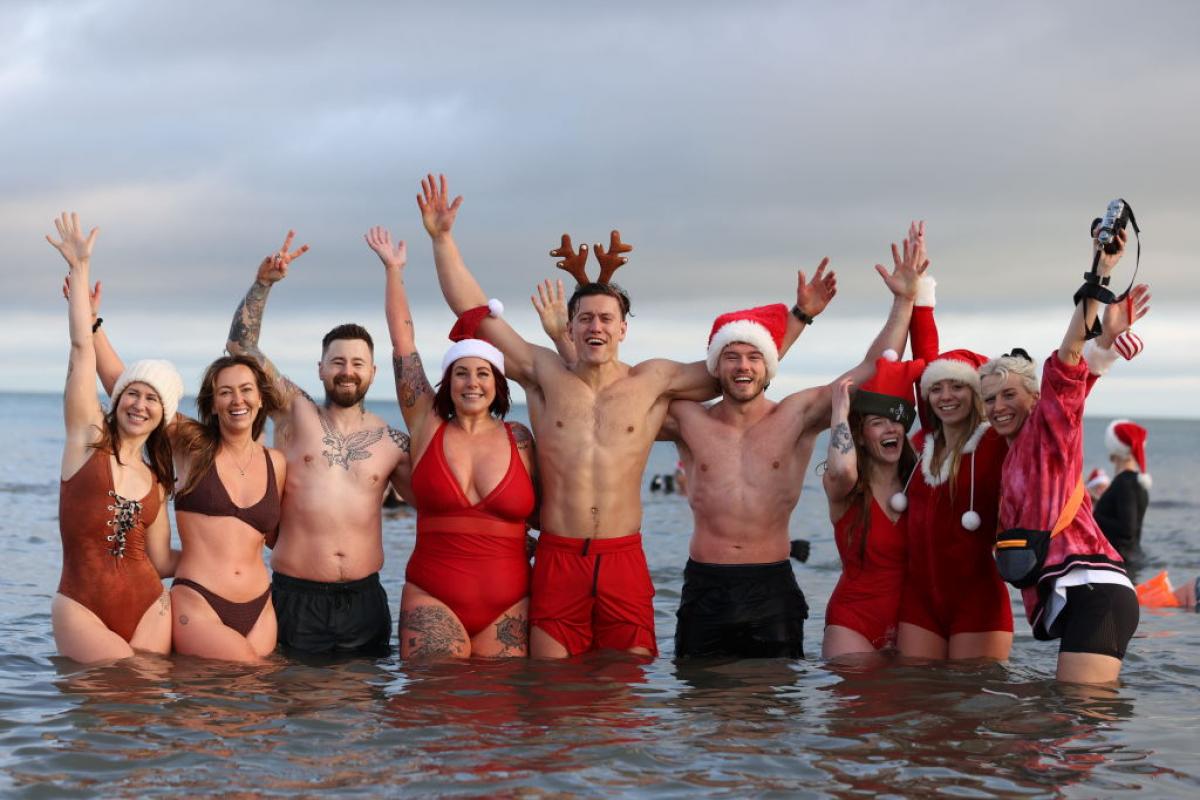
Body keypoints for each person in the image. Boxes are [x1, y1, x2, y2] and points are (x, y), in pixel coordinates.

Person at [419, 173, 750, 658]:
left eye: (606, 318)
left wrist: (799, 319)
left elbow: (740, 365)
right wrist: (443, 240)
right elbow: (474, 313)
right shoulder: (542, 373)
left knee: (627, 693)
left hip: (623, 556)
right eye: (586, 318)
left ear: (622, 330)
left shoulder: (653, 380)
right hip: (559, 556)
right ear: (571, 328)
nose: (596, 326)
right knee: (555, 696)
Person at [663, 238, 921, 659]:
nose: (743, 366)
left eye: (753, 357)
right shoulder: (686, 421)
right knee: (701, 704)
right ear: (716, 366)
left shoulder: (796, 415)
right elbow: (616, 411)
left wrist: (904, 301)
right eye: (731, 356)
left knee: (774, 710)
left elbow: (873, 369)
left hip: (771, 585)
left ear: (768, 367)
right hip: (706, 585)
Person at [226, 232, 412, 657]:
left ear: (372, 372)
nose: (348, 371)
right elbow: (241, 347)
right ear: (321, 368)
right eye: (338, 362)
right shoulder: (295, 412)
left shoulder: (392, 441)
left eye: (357, 363)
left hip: (365, 600)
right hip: (297, 598)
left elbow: (439, 504)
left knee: (365, 715)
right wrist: (263, 284)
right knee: (296, 712)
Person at [979, 225, 1149, 684]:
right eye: (990, 398)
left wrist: (1100, 274)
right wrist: (1106, 347)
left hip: (1097, 590)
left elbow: (1070, 356)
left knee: (1080, 725)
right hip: (1076, 594)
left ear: (1036, 397)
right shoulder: (1012, 451)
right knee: (1062, 733)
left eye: (1009, 394)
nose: (997, 407)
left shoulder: (1050, 426)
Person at [368, 225, 536, 659]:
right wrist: (393, 270)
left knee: (497, 717)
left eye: (483, 374)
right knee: (430, 715)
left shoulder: (521, 440)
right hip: (433, 597)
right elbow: (402, 343)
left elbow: (553, 516)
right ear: (448, 381)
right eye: (461, 372)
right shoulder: (427, 424)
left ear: (498, 385)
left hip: (510, 605)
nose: (472, 382)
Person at [47, 212, 181, 663]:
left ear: (163, 416)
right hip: (80, 606)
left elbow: (162, 563)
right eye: (132, 393)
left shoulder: (158, 480)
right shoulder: (85, 442)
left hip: (149, 605)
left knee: (145, 713)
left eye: (152, 400)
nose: (139, 404)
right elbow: (83, 348)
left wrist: (228, 557)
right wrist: (79, 266)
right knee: (109, 693)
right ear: (118, 399)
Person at [899, 222, 1013, 662]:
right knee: (920, 705)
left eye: (958, 387)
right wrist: (916, 292)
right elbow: (924, 356)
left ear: (977, 394)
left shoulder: (995, 441)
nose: (946, 396)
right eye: (937, 388)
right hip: (919, 601)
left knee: (969, 711)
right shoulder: (922, 440)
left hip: (977, 600)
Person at [822, 352, 925, 659]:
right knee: (860, 703)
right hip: (853, 621)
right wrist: (840, 411)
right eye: (878, 423)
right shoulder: (847, 489)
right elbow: (841, 469)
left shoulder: (919, 484)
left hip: (912, 623)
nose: (890, 429)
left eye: (896, 421)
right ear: (861, 437)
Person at [1093, 420, 1151, 563]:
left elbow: (1127, 528)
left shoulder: (1124, 483)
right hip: (1132, 557)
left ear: (1115, 450)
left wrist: (1093, 516)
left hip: (1122, 562)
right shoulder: (1137, 481)